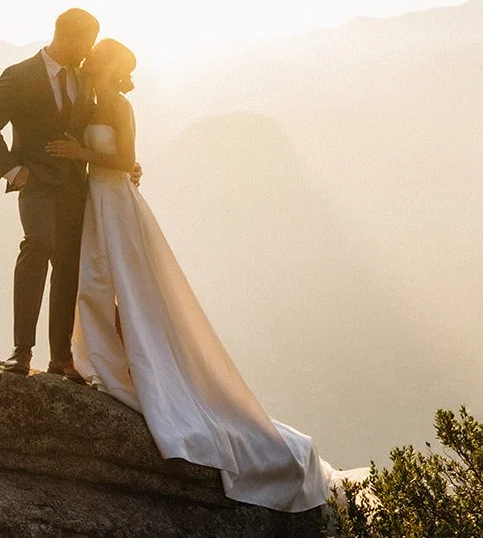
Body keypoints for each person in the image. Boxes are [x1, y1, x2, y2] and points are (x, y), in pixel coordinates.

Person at [43, 38, 360, 512]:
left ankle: (139, 368)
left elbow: (125, 158)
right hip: (96, 201)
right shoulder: (88, 100)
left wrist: (81, 154)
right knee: (94, 284)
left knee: (133, 290)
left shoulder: (120, 106)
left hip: (117, 202)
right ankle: (101, 357)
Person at [0, 8, 102, 381]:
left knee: (68, 265)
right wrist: (13, 170)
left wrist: (122, 163)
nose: (89, 52)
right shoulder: (19, 75)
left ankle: (60, 358)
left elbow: (97, 126)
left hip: (75, 186)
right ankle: (22, 350)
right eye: (87, 43)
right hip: (36, 184)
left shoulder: (84, 78)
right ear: (68, 37)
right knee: (38, 244)